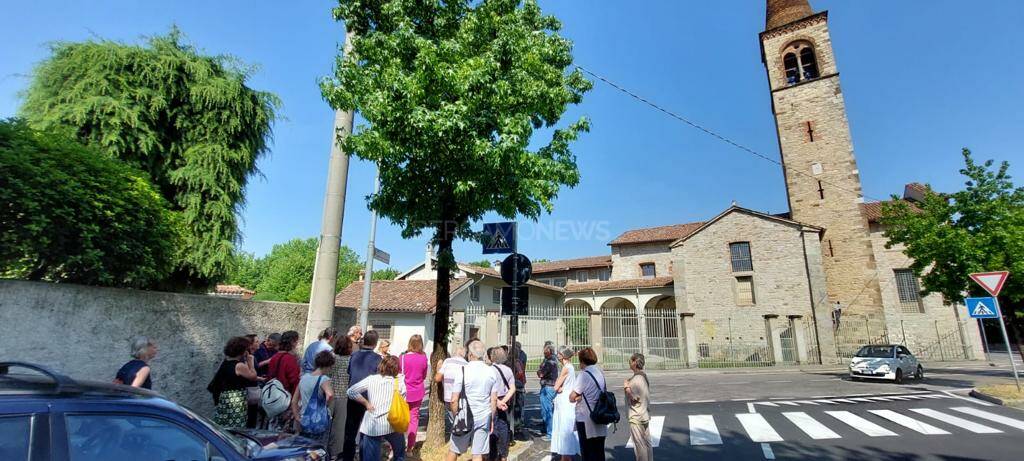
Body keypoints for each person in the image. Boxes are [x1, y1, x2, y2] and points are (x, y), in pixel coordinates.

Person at [347, 355, 408, 461]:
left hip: (373, 424)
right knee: (400, 453)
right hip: (393, 422)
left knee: (371, 456)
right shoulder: (399, 383)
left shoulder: (371, 379)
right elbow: (403, 399)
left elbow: (351, 391)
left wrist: (366, 403)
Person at [447, 340, 498, 461]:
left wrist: (456, 416)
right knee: (477, 453)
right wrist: (491, 418)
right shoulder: (491, 371)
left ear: (470, 354)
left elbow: (454, 399)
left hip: (464, 416)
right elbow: (494, 399)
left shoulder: (463, 370)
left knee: (454, 450)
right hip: (483, 415)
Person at [341, 330, 383, 461]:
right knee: (366, 431)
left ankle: (347, 457)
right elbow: (379, 379)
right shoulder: (377, 359)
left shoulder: (354, 356)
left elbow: (349, 372)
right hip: (369, 399)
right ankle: (364, 457)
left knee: (350, 431)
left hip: (353, 397)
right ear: (376, 343)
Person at [209, 336, 261, 428]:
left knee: (225, 423)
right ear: (242, 351)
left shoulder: (226, 362)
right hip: (236, 399)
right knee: (237, 425)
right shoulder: (239, 366)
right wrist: (251, 362)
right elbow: (253, 376)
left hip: (224, 397)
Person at [570, 347, 607, 461]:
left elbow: (572, 397)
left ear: (582, 361)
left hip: (586, 417)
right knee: (599, 451)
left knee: (587, 452)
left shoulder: (584, 375)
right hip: (600, 414)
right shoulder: (599, 372)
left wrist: (578, 397)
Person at [292, 350, 335, 444]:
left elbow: (294, 401)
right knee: (318, 449)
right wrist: (325, 405)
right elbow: (330, 395)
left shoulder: (304, 377)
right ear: (328, 365)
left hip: (304, 418)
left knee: (303, 447)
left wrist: (296, 416)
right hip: (318, 421)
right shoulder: (324, 379)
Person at [400, 335, 429, 452]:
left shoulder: (402, 357)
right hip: (417, 391)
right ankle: (410, 447)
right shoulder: (423, 358)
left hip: (403, 391)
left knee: (400, 417)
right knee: (414, 419)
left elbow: (398, 373)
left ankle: (395, 446)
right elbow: (424, 376)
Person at [268, 330, 302, 431]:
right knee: (285, 434)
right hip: (287, 399)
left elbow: (269, 377)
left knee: (273, 430)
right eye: (296, 342)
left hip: (274, 398)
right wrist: (295, 403)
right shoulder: (290, 359)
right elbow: (295, 381)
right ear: (292, 343)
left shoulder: (274, 357)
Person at [550, 346, 579, 460]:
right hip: (568, 400)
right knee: (566, 428)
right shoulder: (570, 367)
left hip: (564, 402)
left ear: (562, 355)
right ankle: (565, 456)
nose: (557, 355)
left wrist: (559, 387)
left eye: (558, 354)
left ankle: (565, 456)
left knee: (563, 429)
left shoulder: (565, 368)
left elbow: (556, 386)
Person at [487, 347, 516, 461]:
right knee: (504, 427)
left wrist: (497, 402)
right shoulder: (508, 370)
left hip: (492, 400)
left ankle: (492, 455)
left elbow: (488, 389)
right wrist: (503, 401)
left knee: (492, 427)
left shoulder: (489, 370)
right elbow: (512, 388)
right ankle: (503, 455)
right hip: (504, 400)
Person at [328, 336, 354, 460]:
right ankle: (335, 453)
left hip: (329, 394)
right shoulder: (351, 360)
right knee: (339, 427)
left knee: (326, 423)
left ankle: (323, 448)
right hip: (343, 395)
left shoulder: (331, 358)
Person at [434, 343, 468, 435]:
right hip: (462, 397)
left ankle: (457, 436)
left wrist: (438, 370)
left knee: (453, 419)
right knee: (461, 419)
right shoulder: (467, 364)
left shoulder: (448, 361)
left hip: (448, 396)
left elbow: (437, 378)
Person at [624, 353, 651, 461]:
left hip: (636, 416)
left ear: (635, 362)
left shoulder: (636, 380)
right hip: (644, 414)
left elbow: (634, 398)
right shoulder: (643, 376)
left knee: (640, 446)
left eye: (630, 361)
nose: (629, 363)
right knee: (647, 443)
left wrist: (626, 387)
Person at [536, 343, 559, 441]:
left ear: (548, 352)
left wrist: (539, 370)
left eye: (545, 351)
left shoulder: (549, 362)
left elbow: (541, 374)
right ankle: (547, 430)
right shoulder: (553, 360)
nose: (544, 353)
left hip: (548, 387)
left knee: (547, 410)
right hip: (550, 387)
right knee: (547, 409)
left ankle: (550, 433)